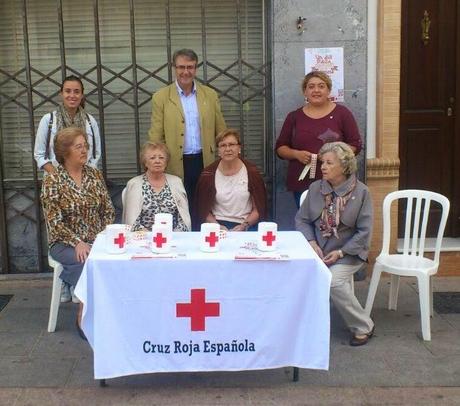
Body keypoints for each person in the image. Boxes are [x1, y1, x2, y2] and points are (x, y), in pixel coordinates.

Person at [295, 141, 374, 346]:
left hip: (348, 253)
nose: (323, 167)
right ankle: (303, 324)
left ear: (345, 166)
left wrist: (340, 252)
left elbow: (364, 233)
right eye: (322, 162)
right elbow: (301, 219)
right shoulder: (315, 188)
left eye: (329, 163)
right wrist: (311, 242)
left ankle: (363, 325)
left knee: (334, 281)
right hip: (318, 251)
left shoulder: (362, 192)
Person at [41, 127, 114, 338]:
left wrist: (101, 237)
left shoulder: (94, 174)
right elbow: (54, 222)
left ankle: (110, 312)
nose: (85, 151)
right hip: (64, 243)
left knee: (115, 257)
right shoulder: (53, 180)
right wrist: (77, 242)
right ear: (65, 152)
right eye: (79, 147)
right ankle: (83, 314)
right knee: (86, 259)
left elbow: (108, 210)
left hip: (96, 238)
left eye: (86, 146)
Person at [148, 48, 226, 225]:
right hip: (176, 162)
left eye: (190, 67)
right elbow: (155, 135)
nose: (186, 72)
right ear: (174, 68)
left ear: (196, 68)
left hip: (204, 160)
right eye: (181, 67)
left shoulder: (210, 95)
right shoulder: (161, 97)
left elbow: (221, 130)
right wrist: (156, 161)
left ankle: (205, 242)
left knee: (205, 206)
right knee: (180, 207)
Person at [275, 71, 362, 208]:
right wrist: (296, 154)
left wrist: (333, 156)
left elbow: (355, 145)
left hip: (336, 180)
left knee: (335, 222)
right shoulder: (294, 117)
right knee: (307, 221)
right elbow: (280, 148)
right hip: (302, 181)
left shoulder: (342, 114)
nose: (316, 90)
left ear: (328, 90)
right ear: (305, 91)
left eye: (321, 86)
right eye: (311, 86)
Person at [195, 129, 266, 231]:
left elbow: (258, 209)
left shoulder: (252, 172)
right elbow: (203, 209)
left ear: (239, 148)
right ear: (218, 150)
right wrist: (217, 226)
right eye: (223, 145)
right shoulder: (208, 174)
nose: (228, 149)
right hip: (216, 225)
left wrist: (244, 226)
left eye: (232, 144)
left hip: (246, 225)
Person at [34, 75, 101, 174]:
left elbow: (96, 154)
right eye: (68, 91)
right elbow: (39, 154)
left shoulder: (90, 121)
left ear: (82, 95)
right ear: (61, 94)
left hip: (84, 180)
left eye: (77, 92)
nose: (72, 95)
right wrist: (57, 176)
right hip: (56, 180)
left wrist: (84, 176)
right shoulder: (48, 120)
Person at [123, 142, 191, 231]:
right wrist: (150, 238)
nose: (157, 161)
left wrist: (173, 236)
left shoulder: (176, 182)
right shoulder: (134, 184)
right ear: (145, 162)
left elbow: (184, 219)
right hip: (143, 239)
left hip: (174, 237)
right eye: (152, 158)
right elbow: (131, 220)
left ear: (166, 162)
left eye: (161, 158)